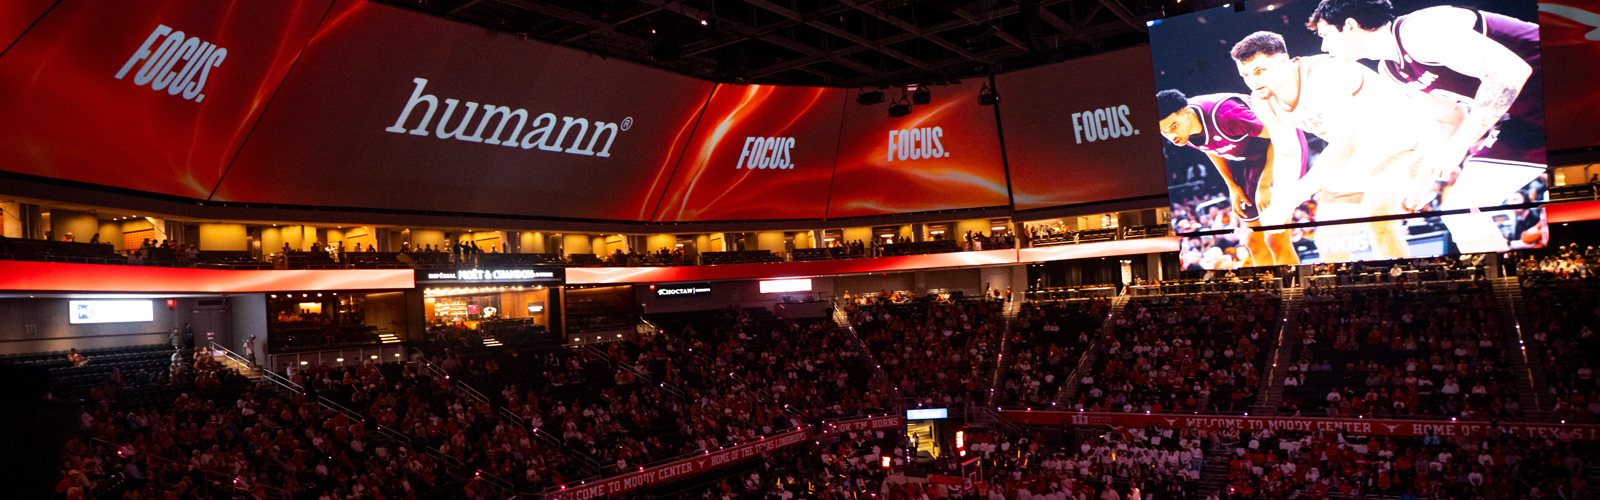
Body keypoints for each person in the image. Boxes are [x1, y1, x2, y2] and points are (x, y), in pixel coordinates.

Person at [1308, 0, 1545, 253]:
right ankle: (1502, 289)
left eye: (1325, 35)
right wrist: (1423, 185)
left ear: (1351, 26)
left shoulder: (1419, 31)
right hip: (1525, 121)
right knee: (1461, 212)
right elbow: (1446, 119)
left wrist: (1457, 148)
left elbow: (1510, 72)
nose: (1324, 46)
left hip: (1566, 88)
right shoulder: (1390, 69)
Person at [1234, 31, 1462, 262]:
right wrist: (1279, 207)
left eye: (1260, 71)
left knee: (1377, 216)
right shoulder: (1262, 99)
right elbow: (1287, 152)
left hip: (1405, 142)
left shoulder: (1324, 73)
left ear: (1283, 60)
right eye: (1245, 75)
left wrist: (1290, 201)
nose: (1254, 81)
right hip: (1357, 157)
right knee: (1330, 240)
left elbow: (1344, 147)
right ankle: (1341, 297)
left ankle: (1405, 288)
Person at [1157, 88, 1308, 266]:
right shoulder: (1183, 128)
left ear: (1187, 113)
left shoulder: (1227, 114)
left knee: (1276, 239)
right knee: (1254, 242)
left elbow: (1280, 134)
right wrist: (1232, 186)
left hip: (1282, 148)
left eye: (1173, 127)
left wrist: (1265, 185)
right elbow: (1209, 146)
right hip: (1251, 158)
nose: (1171, 135)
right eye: (1164, 132)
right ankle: (1268, 291)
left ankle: (1294, 291)